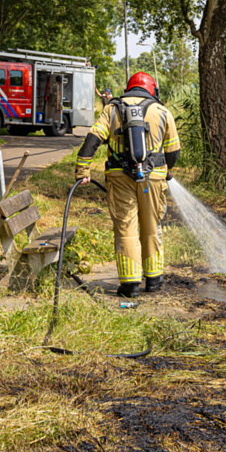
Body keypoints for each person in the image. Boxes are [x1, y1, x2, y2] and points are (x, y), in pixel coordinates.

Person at [75, 72, 180, 297]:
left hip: (119, 178)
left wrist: (83, 171)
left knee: (126, 229)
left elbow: (92, 139)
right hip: (153, 179)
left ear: (129, 88)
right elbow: (173, 152)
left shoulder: (112, 109)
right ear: (152, 90)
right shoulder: (162, 111)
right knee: (152, 227)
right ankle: (154, 279)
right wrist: (165, 170)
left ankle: (130, 284)